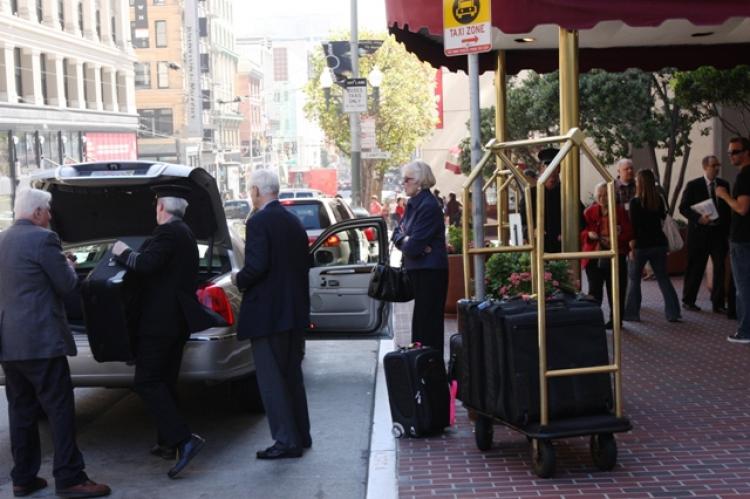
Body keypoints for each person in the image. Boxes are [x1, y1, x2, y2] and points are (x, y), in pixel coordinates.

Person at [0, 188, 111, 498]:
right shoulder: (43, 239)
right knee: (59, 410)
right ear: (37, 213)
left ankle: (23, 477)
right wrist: (69, 266)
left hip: (10, 343)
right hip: (42, 342)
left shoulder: (1, 240)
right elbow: (66, 285)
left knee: (21, 411)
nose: (50, 217)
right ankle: (70, 477)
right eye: (47, 211)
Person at [112, 185, 206, 479]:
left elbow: (146, 264)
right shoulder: (186, 233)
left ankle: (183, 439)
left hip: (159, 323)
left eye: (155, 205)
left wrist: (122, 251)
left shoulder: (167, 233)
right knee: (165, 380)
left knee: (147, 381)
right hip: (175, 321)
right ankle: (168, 443)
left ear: (161, 208)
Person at [235, 169, 312, 458]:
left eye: (249, 190)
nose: (249, 195)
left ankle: (285, 441)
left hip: (268, 315)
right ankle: (301, 435)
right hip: (294, 313)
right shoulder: (293, 220)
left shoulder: (258, 222)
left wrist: (238, 280)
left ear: (256, 191)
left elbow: (256, 267)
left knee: (272, 382)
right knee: (292, 376)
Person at [392, 161, 449, 357]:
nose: (403, 183)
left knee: (428, 326)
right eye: (403, 179)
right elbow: (397, 235)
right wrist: (407, 240)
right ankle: (423, 371)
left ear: (421, 182)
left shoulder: (428, 205)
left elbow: (413, 246)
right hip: (419, 269)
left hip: (430, 272)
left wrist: (410, 242)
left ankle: (431, 374)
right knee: (420, 325)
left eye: (408, 179)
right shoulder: (413, 204)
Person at [623, 169, 682, 323]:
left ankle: (631, 313)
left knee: (634, 279)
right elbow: (663, 218)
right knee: (663, 278)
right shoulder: (659, 200)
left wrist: (631, 248)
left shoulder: (635, 203)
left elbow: (633, 227)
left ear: (639, 183)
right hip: (659, 244)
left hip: (641, 246)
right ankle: (673, 312)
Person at [678, 155, 731, 313]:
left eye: (718, 165)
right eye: (713, 165)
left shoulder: (724, 185)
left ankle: (718, 303)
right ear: (705, 167)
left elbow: (727, 210)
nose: (717, 168)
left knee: (720, 268)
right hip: (699, 234)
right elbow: (683, 207)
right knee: (696, 267)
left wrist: (728, 231)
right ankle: (689, 300)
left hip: (718, 234)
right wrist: (698, 218)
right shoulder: (694, 185)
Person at [581, 182, 633, 329]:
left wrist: (616, 239)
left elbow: (629, 232)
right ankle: (594, 320)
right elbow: (581, 232)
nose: (603, 198)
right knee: (594, 291)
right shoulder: (589, 212)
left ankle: (616, 321)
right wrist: (589, 235)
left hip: (615, 256)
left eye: (606, 195)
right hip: (594, 255)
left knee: (616, 290)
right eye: (600, 195)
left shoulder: (620, 211)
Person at [715, 137, 750, 343]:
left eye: (735, 152)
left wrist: (724, 195)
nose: (731, 156)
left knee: (743, 285)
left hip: (743, 239)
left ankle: (745, 330)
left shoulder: (745, 177)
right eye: (729, 152)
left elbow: (742, 208)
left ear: (747, 152)